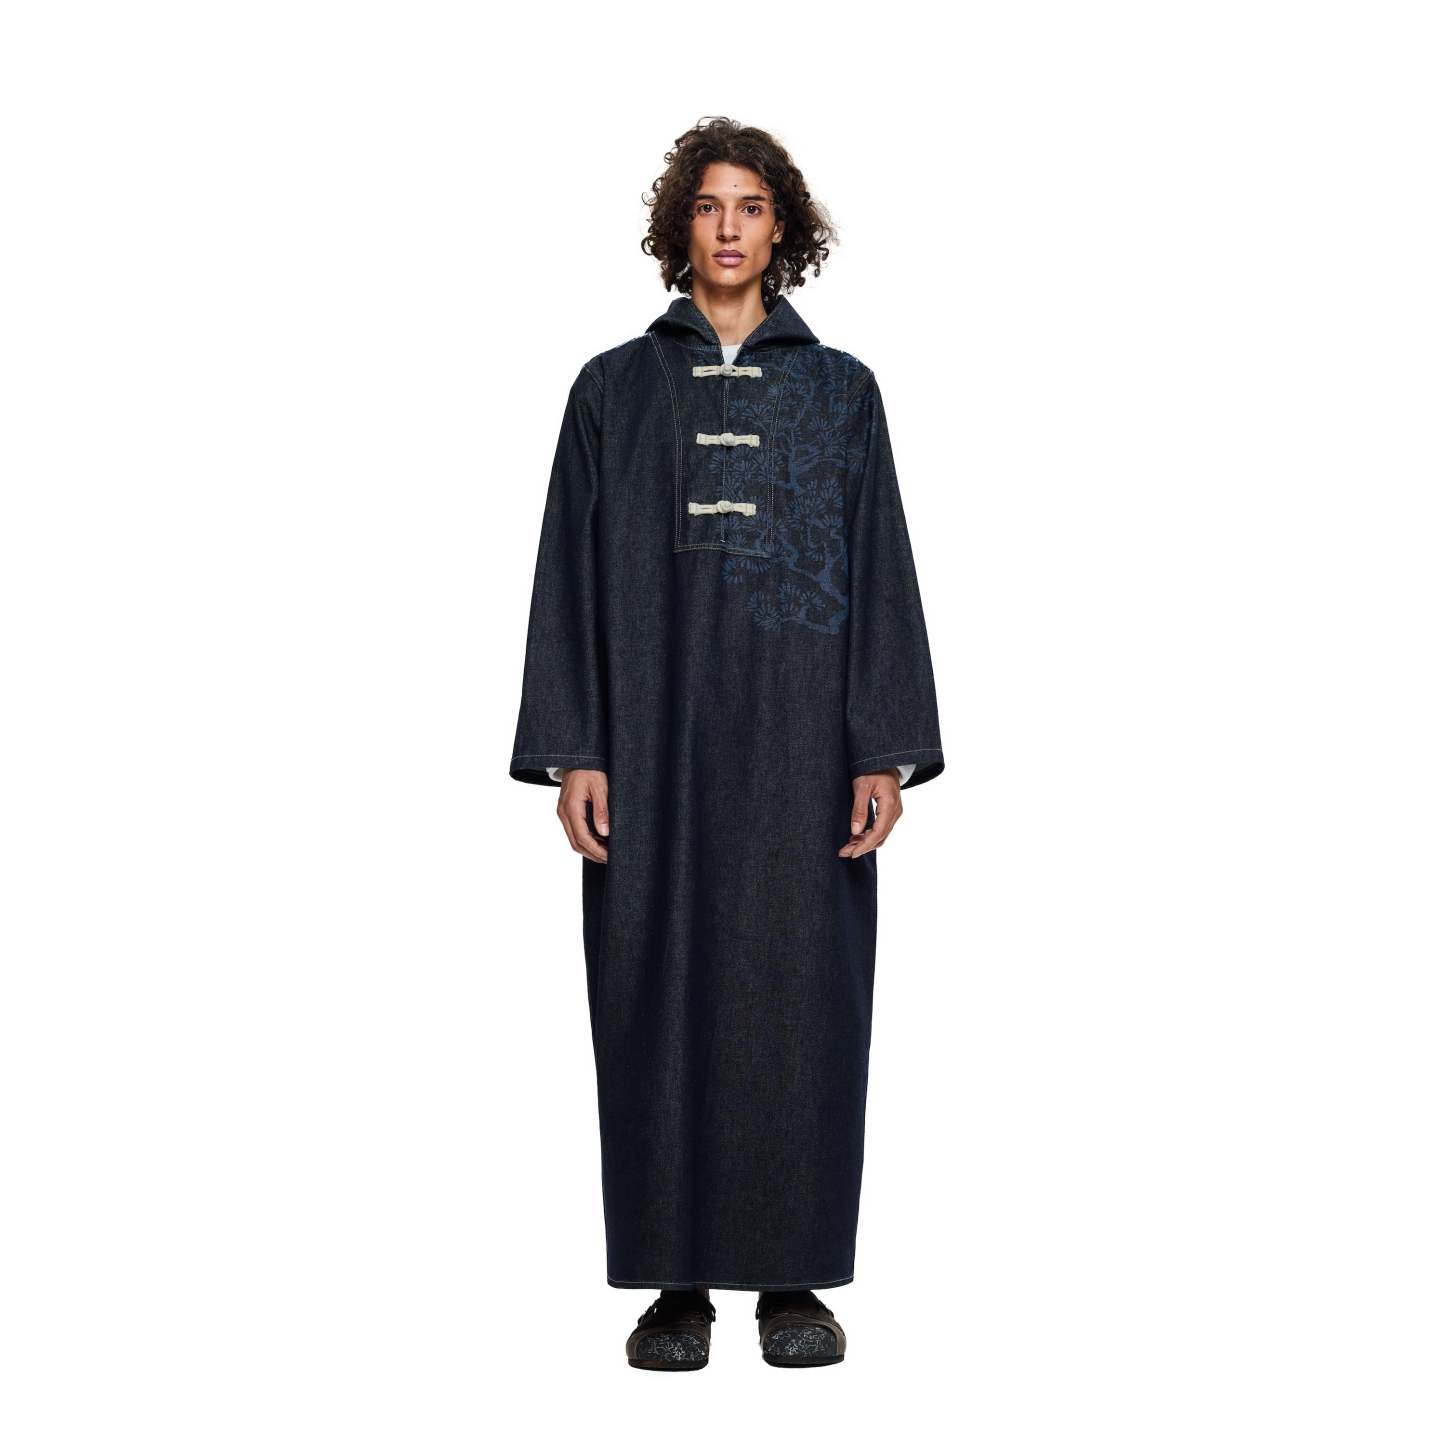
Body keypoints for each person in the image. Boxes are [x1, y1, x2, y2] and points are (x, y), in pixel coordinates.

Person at [509, 115, 945, 1370]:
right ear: (679, 226)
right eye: (707, 205)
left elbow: (881, 564)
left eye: (750, 205)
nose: (729, 227)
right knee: (652, 988)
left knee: (804, 993)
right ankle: (676, 1286)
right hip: (649, 738)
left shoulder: (841, 391)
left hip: (803, 742)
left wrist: (880, 747)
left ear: (781, 227)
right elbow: (563, 573)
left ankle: (793, 1279)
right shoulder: (611, 390)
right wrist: (576, 746)